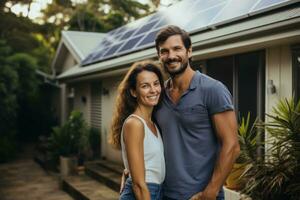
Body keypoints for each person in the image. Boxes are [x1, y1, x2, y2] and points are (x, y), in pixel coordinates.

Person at [153, 25, 240, 200]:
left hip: (201, 195)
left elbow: (231, 146)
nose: (171, 56)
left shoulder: (212, 89)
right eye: (164, 51)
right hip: (164, 193)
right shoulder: (158, 95)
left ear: (189, 52)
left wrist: (211, 192)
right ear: (159, 56)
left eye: (177, 48)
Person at [110, 60, 166, 200]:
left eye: (156, 83)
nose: (153, 90)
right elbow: (139, 184)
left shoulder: (152, 123)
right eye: (145, 86)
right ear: (134, 92)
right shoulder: (135, 123)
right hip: (143, 193)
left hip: (155, 191)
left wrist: (128, 171)